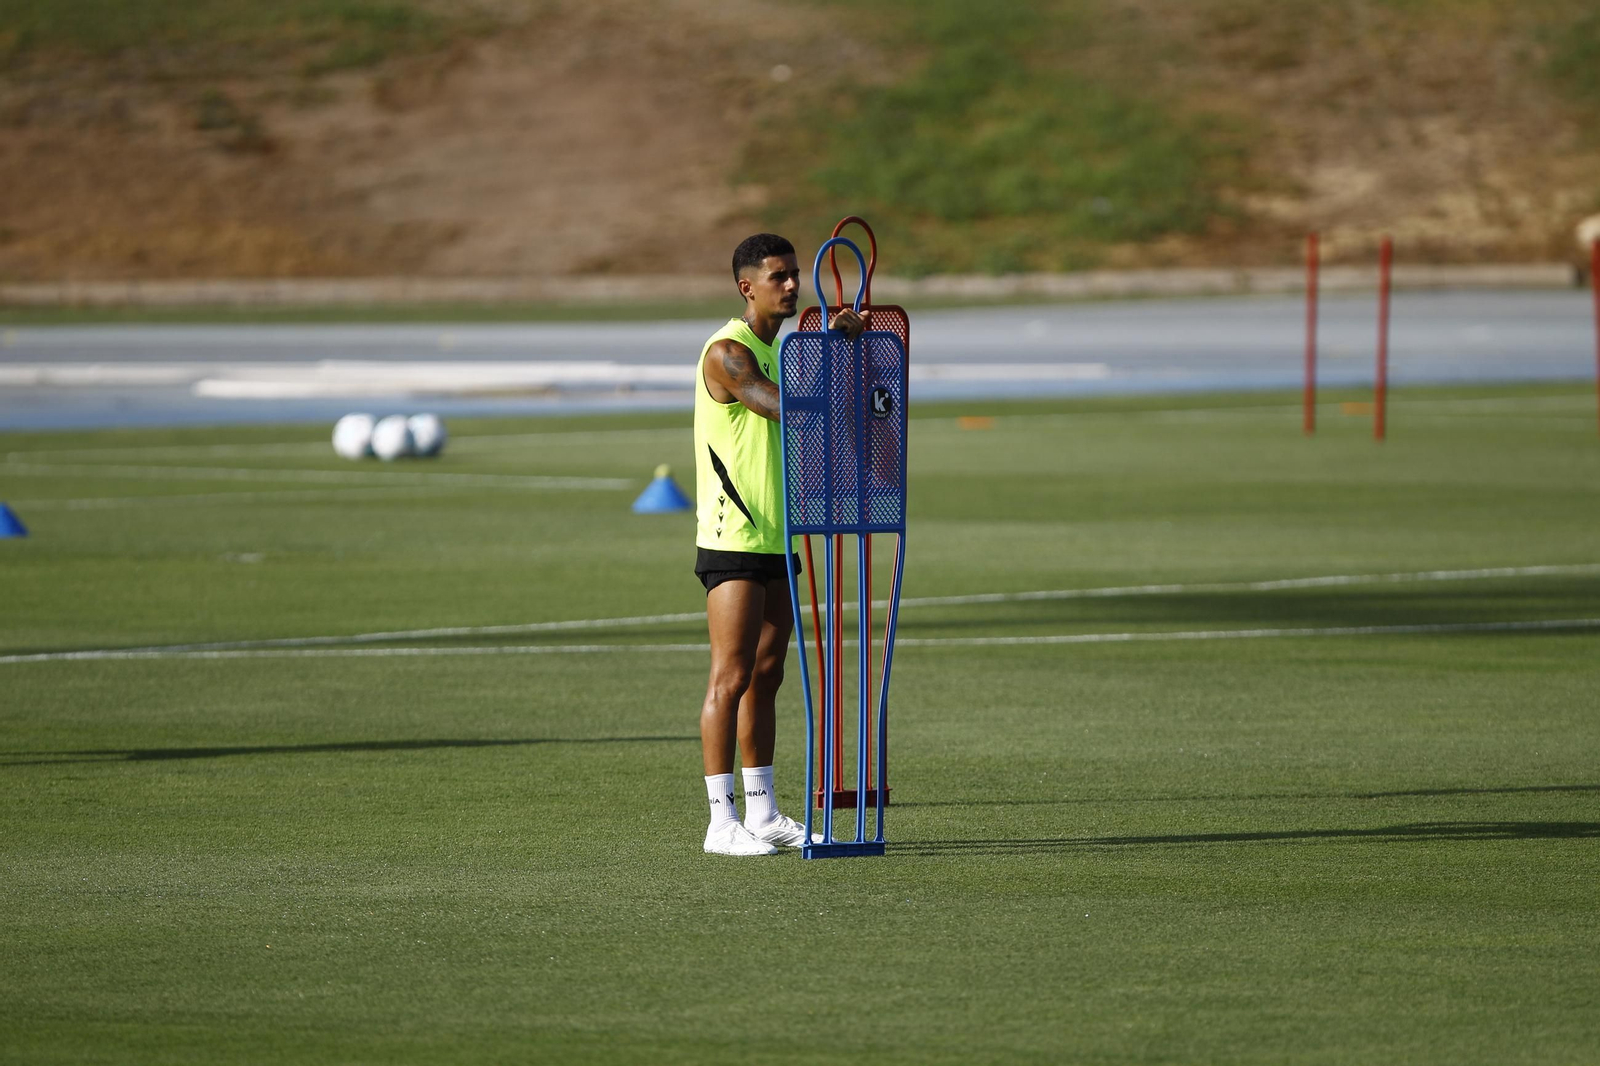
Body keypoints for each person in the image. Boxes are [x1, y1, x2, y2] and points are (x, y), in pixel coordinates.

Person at [694, 233, 867, 856]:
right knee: (730, 676)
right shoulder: (728, 352)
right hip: (733, 535)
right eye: (780, 277)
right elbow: (778, 404)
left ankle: (763, 814)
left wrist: (835, 350)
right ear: (748, 287)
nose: (793, 285)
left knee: (767, 674)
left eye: (795, 274)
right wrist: (835, 351)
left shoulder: (784, 350)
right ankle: (721, 823)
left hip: (777, 534)